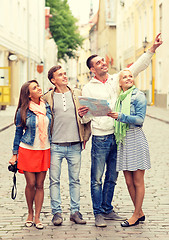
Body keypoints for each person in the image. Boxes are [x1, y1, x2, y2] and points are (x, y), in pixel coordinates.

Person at [78, 33, 162, 227]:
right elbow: (86, 116)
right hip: (100, 137)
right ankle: (98, 212)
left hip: (118, 135)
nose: (103, 63)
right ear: (92, 69)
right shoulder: (88, 88)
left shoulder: (116, 80)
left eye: (103, 60)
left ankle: (107, 209)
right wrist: (84, 114)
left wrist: (151, 49)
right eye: (98, 62)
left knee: (112, 178)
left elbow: (136, 67)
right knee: (97, 178)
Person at [43, 65, 91, 226]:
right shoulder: (46, 98)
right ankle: (56, 213)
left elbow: (86, 117)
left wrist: (85, 116)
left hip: (74, 144)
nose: (64, 76)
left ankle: (75, 212)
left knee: (75, 180)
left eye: (65, 73)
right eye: (60, 75)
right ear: (53, 80)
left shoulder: (77, 94)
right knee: (54, 181)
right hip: (55, 145)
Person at [107, 68, 151, 227]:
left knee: (138, 180)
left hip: (135, 138)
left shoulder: (138, 96)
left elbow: (139, 120)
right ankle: (139, 212)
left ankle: (135, 215)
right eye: (124, 77)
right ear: (119, 82)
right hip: (124, 140)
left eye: (130, 76)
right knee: (128, 181)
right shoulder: (120, 98)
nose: (128, 78)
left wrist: (121, 116)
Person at [9, 80, 52, 229]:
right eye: (35, 88)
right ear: (28, 94)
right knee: (31, 184)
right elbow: (18, 132)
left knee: (40, 184)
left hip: (44, 149)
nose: (39, 88)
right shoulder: (23, 110)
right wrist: (15, 154)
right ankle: (30, 212)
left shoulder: (46, 106)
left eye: (38, 85)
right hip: (27, 149)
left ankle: (38, 217)